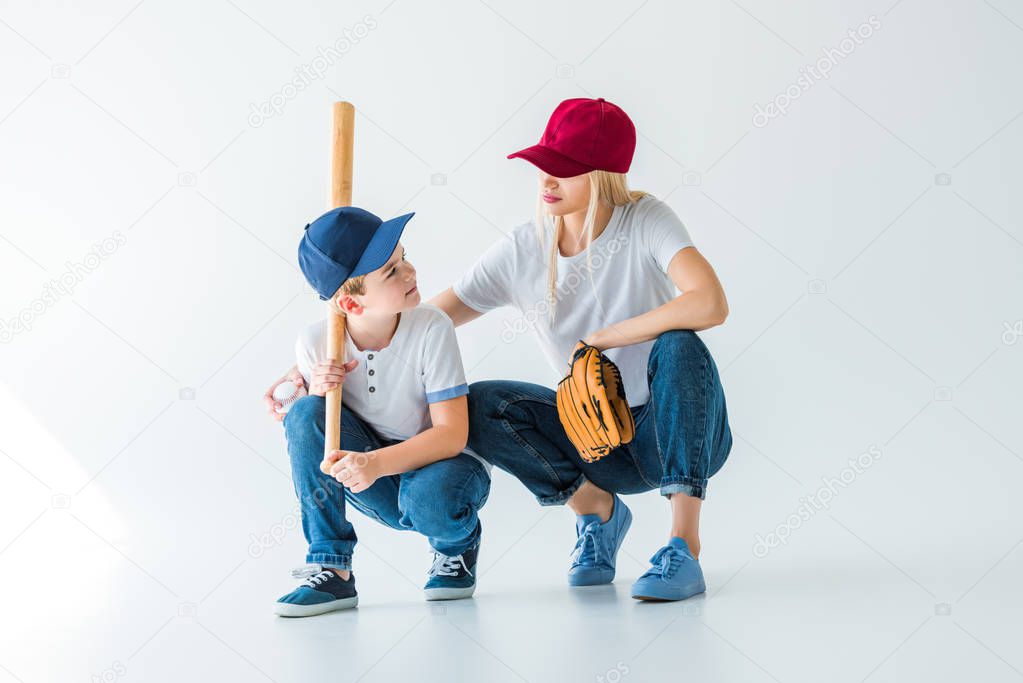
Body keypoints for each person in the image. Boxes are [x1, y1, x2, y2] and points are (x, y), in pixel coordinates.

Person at [430, 97, 733, 602]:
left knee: (680, 345)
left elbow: (711, 303)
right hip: (598, 443)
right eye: (545, 166)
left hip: (674, 433)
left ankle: (684, 545)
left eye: (565, 171)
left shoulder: (645, 219)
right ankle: (598, 515)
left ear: (606, 175)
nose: (546, 181)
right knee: (482, 404)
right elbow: (429, 323)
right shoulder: (526, 246)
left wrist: (607, 337)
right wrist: (329, 358)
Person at [273, 206, 491, 617]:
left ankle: (456, 546)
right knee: (305, 414)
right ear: (351, 305)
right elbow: (295, 425)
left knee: (429, 497)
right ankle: (331, 569)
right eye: (391, 272)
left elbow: (452, 435)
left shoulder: (431, 327)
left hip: (443, 470)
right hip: (375, 479)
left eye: (403, 258)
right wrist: (308, 394)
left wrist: (375, 463)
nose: (410, 272)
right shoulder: (317, 341)